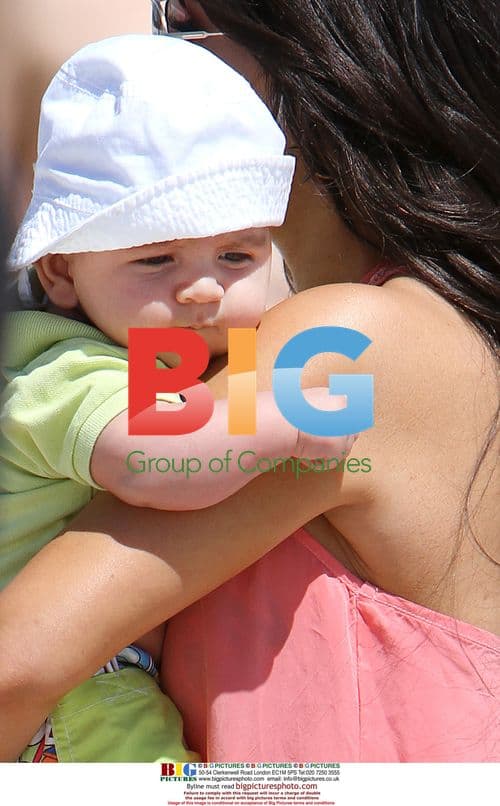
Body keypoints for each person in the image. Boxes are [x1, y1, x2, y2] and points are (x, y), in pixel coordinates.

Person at [1, 0, 498, 762]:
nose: (162, 51)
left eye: (182, 17)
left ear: (316, 54)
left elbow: (17, 664)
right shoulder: (445, 322)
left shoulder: (344, 343)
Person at [0, 33, 354, 762]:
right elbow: (154, 460)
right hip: (72, 710)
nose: (201, 288)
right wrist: (284, 425)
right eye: (156, 258)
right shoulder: (56, 367)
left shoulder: (156, 348)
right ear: (62, 270)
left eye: (237, 255)